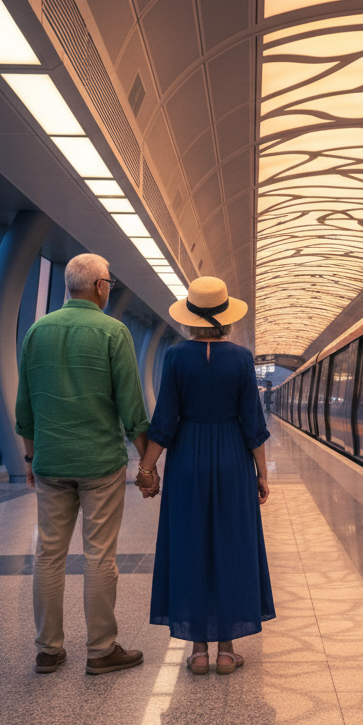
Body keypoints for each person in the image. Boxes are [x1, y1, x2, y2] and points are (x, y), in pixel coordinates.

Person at [16, 253, 150, 675]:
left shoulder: (37, 331)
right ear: (98, 287)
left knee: (48, 555)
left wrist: (30, 457)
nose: (109, 288)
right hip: (100, 463)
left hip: (51, 461)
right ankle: (100, 649)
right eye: (109, 282)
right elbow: (131, 405)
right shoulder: (113, 332)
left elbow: (25, 406)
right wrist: (148, 464)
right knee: (99, 557)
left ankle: (48, 650)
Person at [135, 276, 274, 675]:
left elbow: (164, 424)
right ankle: (227, 650)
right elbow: (253, 424)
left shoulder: (176, 358)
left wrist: (147, 468)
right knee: (232, 545)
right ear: (227, 318)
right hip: (232, 458)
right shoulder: (242, 359)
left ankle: (197, 650)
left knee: (190, 544)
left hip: (188, 461)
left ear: (190, 318)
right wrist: (262, 473)